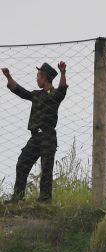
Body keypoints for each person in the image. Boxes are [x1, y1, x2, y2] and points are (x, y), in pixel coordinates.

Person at [1, 62, 68, 203]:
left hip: (48, 137)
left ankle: (44, 200)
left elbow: (62, 89)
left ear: (44, 78)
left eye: (38, 76)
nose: (36, 79)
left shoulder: (54, 95)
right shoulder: (36, 95)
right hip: (35, 137)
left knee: (46, 168)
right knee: (22, 163)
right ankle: (17, 198)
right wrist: (8, 76)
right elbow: (20, 91)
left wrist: (62, 73)